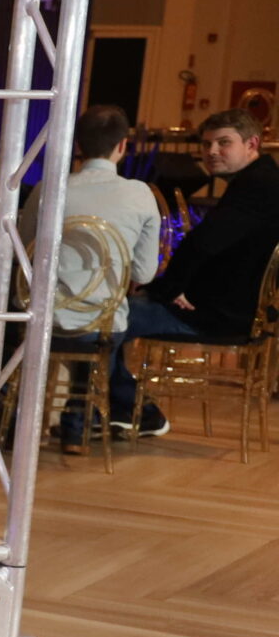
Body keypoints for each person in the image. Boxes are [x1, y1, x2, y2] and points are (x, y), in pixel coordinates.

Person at [114, 108, 279, 436]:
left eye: (223, 143)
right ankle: (120, 410)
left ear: (252, 144)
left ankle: (125, 411)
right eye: (206, 144)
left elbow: (203, 244)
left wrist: (166, 290)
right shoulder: (262, 179)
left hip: (219, 313)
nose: (212, 151)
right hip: (231, 305)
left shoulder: (258, 185)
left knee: (103, 319)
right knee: (111, 315)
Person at [50, 105, 158, 453]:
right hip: (102, 321)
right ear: (123, 146)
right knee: (106, 320)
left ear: (78, 145)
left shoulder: (51, 188)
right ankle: (79, 425)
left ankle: (8, 422)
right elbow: (143, 273)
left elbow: (24, 251)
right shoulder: (140, 194)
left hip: (44, 318)